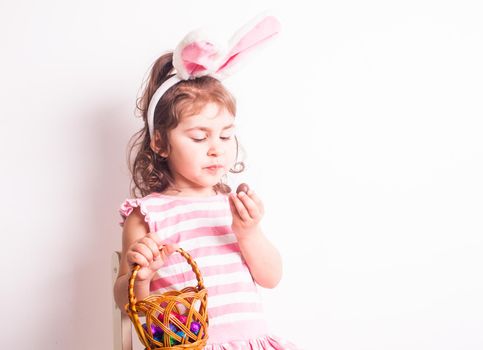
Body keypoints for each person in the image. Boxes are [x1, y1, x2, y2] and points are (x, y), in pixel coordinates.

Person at [113, 14, 299, 349]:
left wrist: (248, 232)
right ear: (160, 143)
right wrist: (141, 276)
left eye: (226, 136)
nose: (216, 150)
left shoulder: (232, 207)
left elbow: (271, 277)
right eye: (199, 138)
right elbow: (125, 301)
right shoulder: (148, 214)